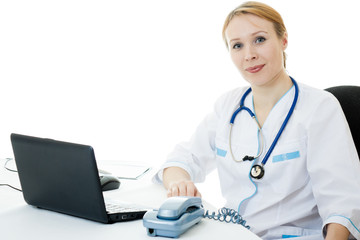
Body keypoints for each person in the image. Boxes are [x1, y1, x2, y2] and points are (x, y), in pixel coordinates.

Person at [153, 1, 360, 239]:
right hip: (233, 233)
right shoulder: (228, 106)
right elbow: (182, 158)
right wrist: (179, 182)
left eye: (259, 40)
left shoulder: (320, 107)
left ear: (283, 40)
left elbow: (342, 205)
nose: (249, 55)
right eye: (237, 45)